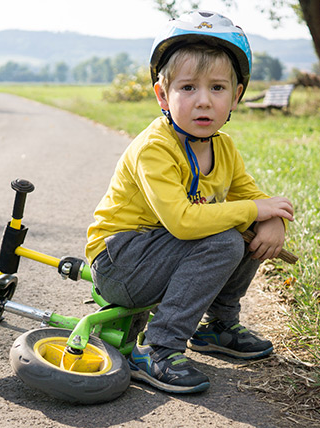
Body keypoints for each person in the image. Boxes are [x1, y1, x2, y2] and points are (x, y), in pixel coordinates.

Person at [85, 10, 294, 394]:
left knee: (244, 230)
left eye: (217, 88)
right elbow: (182, 222)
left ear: (237, 96)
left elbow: (250, 197)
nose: (203, 102)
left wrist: (272, 221)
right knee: (226, 236)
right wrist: (254, 211)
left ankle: (219, 325)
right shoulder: (155, 148)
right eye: (187, 88)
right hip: (120, 263)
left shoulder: (224, 147)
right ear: (163, 95)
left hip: (158, 256)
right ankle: (157, 347)